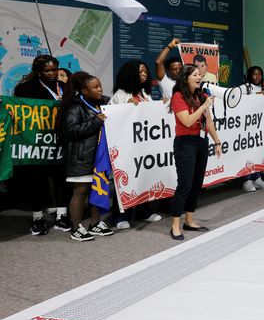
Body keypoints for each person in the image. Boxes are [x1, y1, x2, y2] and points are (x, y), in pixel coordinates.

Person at [13, 55, 69, 235]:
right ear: (38, 71)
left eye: (54, 70)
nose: (52, 73)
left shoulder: (65, 87)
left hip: (59, 140)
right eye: (47, 70)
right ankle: (37, 219)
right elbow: (19, 111)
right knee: (36, 181)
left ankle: (62, 216)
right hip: (36, 142)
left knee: (60, 178)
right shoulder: (25, 88)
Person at [169, 64, 222, 240]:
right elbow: (187, 121)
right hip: (185, 143)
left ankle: (189, 220)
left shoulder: (201, 95)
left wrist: (217, 141)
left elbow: (208, 121)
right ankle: (175, 225)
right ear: (186, 78)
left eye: (200, 74)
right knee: (184, 184)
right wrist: (204, 105)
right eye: (195, 75)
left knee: (197, 183)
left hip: (201, 142)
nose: (199, 77)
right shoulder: (178, 97)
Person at [108, 59, 163, 228]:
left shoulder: (144, 94)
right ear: (130, 74)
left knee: (144, 179)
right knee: (125, 181)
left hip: (144, 146)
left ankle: (143, 211)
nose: (144, 74)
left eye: (145, 71)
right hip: (126, 148)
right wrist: (127, 108)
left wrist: (162, 105)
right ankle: (121, 216)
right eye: (140, 72)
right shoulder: (120, 95)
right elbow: (112, 119)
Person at [60, 71, 114, 241]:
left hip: (99, 157)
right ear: (84, 91)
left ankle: (95, 224)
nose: (100, 89)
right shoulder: (75, 107)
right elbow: (71, 131)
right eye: (95, 87)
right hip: (81, 157)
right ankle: (76, 228)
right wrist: (96, 121)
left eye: (100, 86)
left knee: (97, 189)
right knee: (81, 192)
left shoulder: (105, 103)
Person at [239, 66, 264, 192]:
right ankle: (247, 180)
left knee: (257, 152)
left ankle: (257, 178)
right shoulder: (243, 88)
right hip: (246, 127)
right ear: (249, 75)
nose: (257, 77)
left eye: (260, 74)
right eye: (254, 74)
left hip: (259, 126)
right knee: (247, 154)